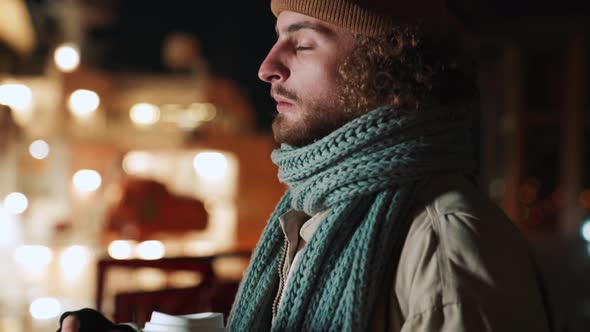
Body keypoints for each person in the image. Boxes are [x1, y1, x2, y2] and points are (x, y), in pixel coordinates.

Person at [60, 0, 552, 331]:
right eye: (278, 38)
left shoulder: (444, 243)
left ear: (385, 63)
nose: (268, 65)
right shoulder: (313, 214)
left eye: (303, 41)